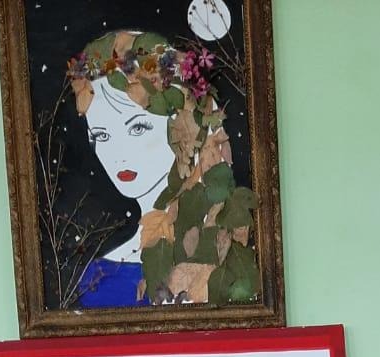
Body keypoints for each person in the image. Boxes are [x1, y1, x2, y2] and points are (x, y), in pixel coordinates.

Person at [66, 30, 258, 308]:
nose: (118, 154)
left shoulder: (234, 256)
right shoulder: (100, 277)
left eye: (137, 128)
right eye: (102, 135)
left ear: (183, 125)